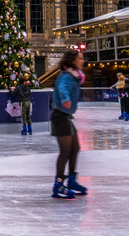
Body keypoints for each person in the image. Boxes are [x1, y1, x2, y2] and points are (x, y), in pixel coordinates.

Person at [51, 49, 86, 199]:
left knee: (75, 148)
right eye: (80, 58)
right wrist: (65, 98)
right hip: (60, 115)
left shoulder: (75, 76)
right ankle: (58, 184)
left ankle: (71, 180)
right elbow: (62, 87)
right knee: (65, 152)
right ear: (72, 61)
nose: (82, 61)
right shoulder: (66, 76)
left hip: (66, 116)